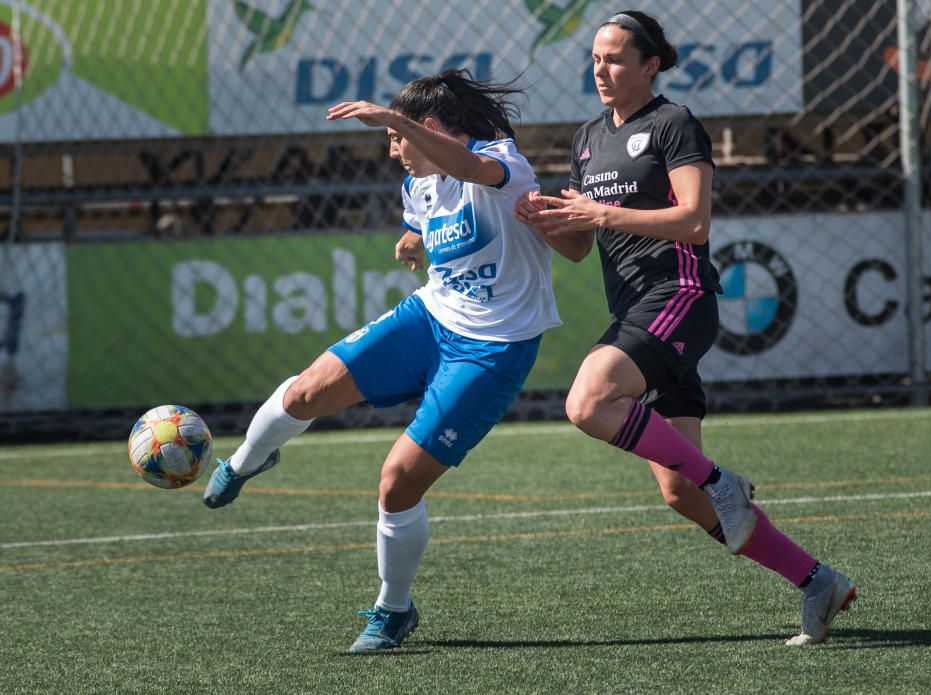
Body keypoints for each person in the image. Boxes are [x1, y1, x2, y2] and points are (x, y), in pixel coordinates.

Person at [515, 10, 857, 646]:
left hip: (681, 296)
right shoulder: (588, 137)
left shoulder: (673, 123)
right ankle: (817, 582)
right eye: (594, 58)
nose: (601, 68)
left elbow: (694, 221)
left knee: (588, 400)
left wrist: (602, 212)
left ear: (650, 65)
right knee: (679, 491)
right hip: (637, 311)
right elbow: (581, 247)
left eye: (616, 58)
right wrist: (549, 223)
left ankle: (721, 480)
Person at [203, 69, 566, 653]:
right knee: (304, 393)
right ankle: (245, 460)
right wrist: (412, 238)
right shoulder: (419, 184)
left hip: (495, 346)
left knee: (397, 482)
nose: (394, 151)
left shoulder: (502, 162)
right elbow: (422, 216)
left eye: (398, 139)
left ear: (424, 129)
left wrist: (393, 118)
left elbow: (471, 172)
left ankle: (393, 609)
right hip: (429, 316)